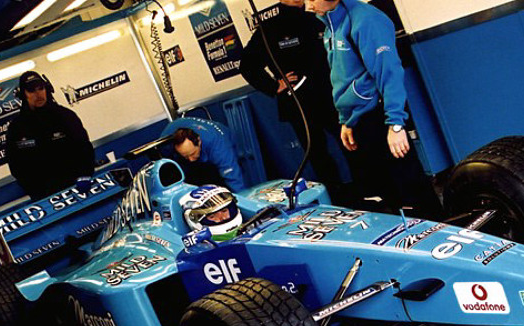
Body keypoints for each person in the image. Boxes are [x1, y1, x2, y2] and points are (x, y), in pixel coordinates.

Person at [305, 0, 443, 220]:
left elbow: (390, 73)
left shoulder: (367, 19)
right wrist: (346, 121)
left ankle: (439, 239)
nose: (308, 6)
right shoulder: (331, 26)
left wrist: (396, 124)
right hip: (360, 122)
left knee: (411, 192)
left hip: (381, 118)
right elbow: (341, 78)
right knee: (386, 194)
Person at [240, 0, 354, 206]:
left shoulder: (319, 17)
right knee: (318, 154)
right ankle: (336, 201)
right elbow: (247, 65)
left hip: (332, 97)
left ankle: (370, 191)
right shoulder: (270, 29)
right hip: (299, 103)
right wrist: (274, 85)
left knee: (351, 144)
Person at [6, 71, 95, 200]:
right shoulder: (17, 128)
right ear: (23, 95)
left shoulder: (66, 116)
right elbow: (16, 165)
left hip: (77, 188)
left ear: (47, 89)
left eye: (41, 88)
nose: (38, 94)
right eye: (32, 91)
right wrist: (35, 191)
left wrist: (85, 176)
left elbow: (84, 148)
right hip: (44, 197)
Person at [161, 117, 245, 192]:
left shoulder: (219, 146)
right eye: (185, 156)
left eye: (192, 153)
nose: (190, 159)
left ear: (199, 141)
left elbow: (234, 179)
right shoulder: (166, 142)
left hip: (222, 142)